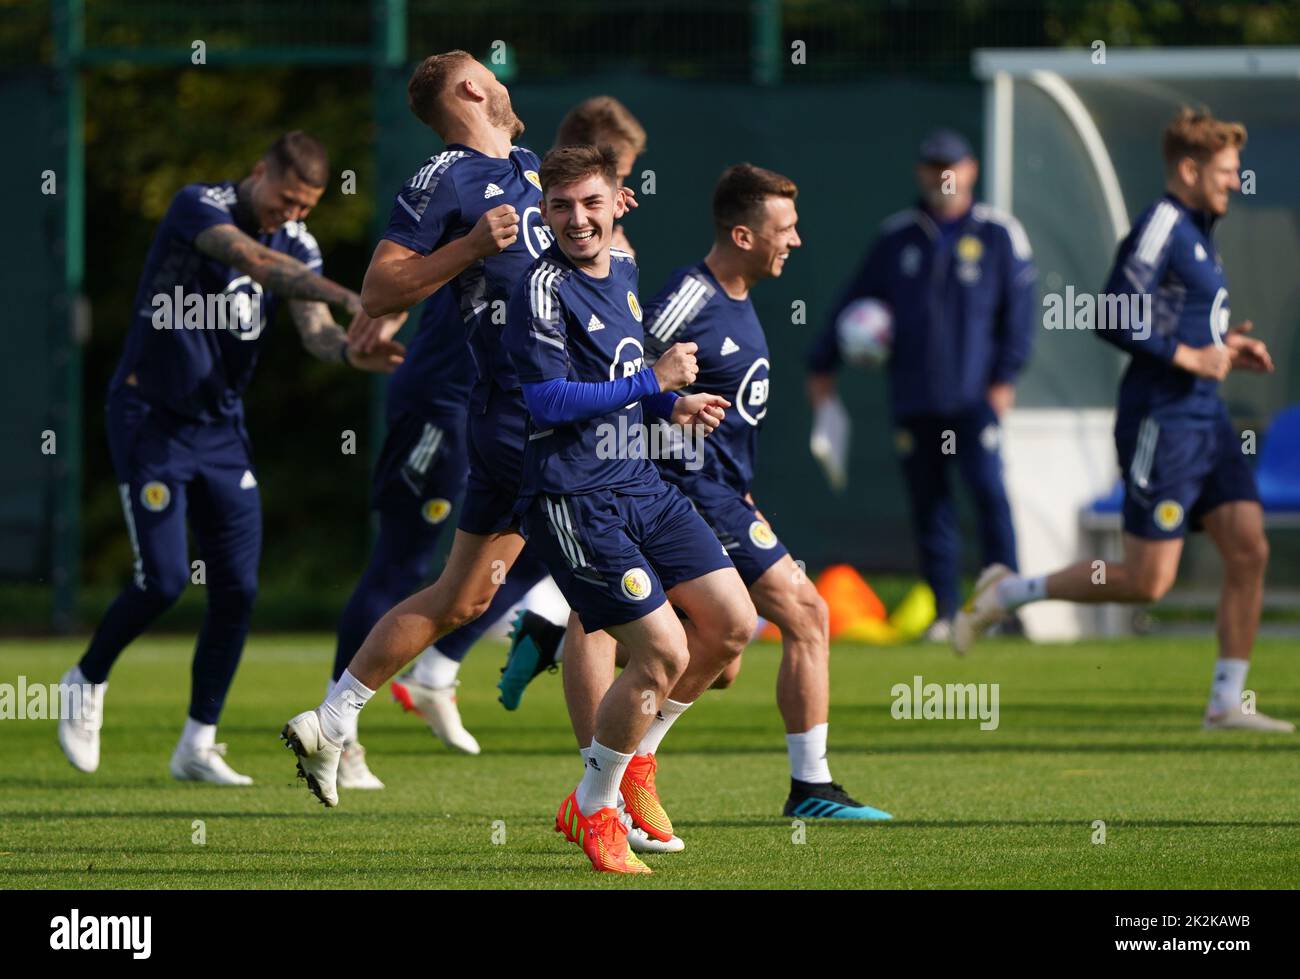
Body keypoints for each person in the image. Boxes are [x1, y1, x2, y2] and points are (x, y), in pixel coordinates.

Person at [280, 53, 637, 807]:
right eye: (491, 72)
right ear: (473, 90)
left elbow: (570, 270)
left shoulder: (534, 170)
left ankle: (331, 718)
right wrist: (471, 246)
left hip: (543, 414)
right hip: (522, 419)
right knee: (605, 602)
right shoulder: (444, 177)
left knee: (463, 596)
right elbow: (379, 287)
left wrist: (601, 224)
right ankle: (604, 801)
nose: (505, 81)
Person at [509, 164, 893, 828]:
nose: (794, 241)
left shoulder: (704, 289)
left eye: (593, 203)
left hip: (714, 491)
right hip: (674, 485)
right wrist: (659, 399)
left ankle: (564, 632)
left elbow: (646, 375)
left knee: (720, 658)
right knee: (802, 612)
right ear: (744, 234)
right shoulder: (686, 296)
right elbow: (620, 369)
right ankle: (803, 784)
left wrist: (675, 400)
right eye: (786, 228)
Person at [57, 132, 405, 783]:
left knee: (238, 588)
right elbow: (254, 261)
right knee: (162, 580)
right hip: (151, 419)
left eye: (306, 206)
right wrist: (352, 296)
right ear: (258, 173)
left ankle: (197, 742)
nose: (291, 216)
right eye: (285, 200)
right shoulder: (200, 205)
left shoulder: (299, 242)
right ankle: (84, 680)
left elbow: (316, 335)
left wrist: (356, 352)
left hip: (222, 432)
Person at [955, 109, 1293, 734]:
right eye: (1225, 172)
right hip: (1160, 423)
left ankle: (1226, 701)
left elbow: (1177, 318)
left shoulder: (1200, 228)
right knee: (1145, 582)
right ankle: (1009, 593)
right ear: (1189, 170)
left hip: (1206, 418)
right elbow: (1110, 309)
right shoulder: (1161, 224)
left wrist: (1224, 346)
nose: (1234, 183)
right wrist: (1189, 354)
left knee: (1249, 550)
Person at [504, 144, 755, 874]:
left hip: (638, 480)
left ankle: (636, 761)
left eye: (591, 202)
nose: (576, 219)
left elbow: (620, 374)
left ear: (620, 202)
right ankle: (592, 802)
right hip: (572, 497)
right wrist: (655, 375)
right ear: (543, 211)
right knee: (663, 652)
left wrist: (671, 401)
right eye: (560, 206)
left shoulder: (625, 271)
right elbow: (548, 400)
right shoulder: (539, 289)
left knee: (733, 625)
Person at [806, 129, 1036, 640]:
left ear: (971, 169)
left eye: (951, 164)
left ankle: (1007, 610)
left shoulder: (999, 233)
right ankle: (946, 612)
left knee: (989, 497)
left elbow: (1019, 315)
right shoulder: (897, 237)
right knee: (931, 507)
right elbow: (852, 303)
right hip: (915, 398)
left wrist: (1005, 379)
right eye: (933, 166)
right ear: (921, 173)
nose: (943, 175)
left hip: (976, 399)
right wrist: (821, 363)